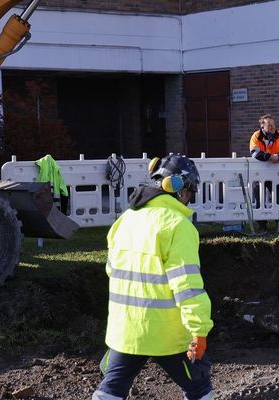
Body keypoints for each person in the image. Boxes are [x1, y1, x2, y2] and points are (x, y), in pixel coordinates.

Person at [92, 154, 214, 400]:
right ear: (180, 190)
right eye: (189, 193)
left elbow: (112, 271)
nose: (189, 199)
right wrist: (199, 330)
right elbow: (187, 287)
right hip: (166, 332)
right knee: (199, 387)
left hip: (126, 330)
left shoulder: (125, 220)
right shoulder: (178, 225)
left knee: (111, 389)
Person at [249, 114, 279, 232]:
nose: (272, 127)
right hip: (259, 175)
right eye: (269, 125)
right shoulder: (256, 136)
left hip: (275, 174)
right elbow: (254, 152)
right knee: (258, 199)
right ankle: (262, 226)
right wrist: (270, 157)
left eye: (273, 124)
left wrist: (277, 156)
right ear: (262, 127)